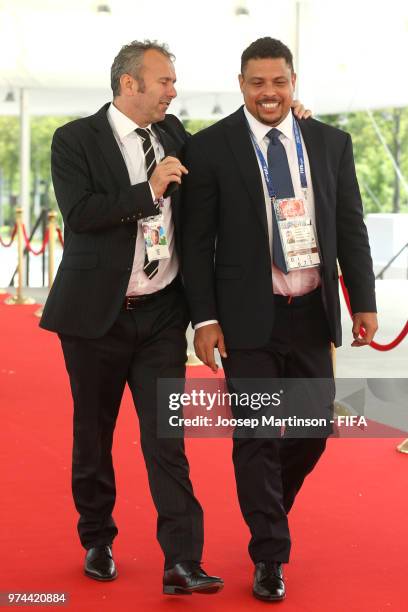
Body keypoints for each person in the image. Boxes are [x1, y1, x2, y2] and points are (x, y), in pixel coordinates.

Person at [181, 37, 378, 602]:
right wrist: (205, 320)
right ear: (241, 84)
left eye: (279, 82)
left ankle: (268, 510)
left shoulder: (330, 142)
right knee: (258, 438)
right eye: (257, 82)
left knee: (313, 430)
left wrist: (361, 300)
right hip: (248, 319)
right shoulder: (212, 147)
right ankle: (269, 552)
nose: (269, 93)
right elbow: (197, 244)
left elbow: (351, 225)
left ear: (294, 82)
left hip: (311, 312)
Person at [39, 40, 223, 595]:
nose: (173, 90)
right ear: (129, 85)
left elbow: (227, 154)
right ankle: (96, 537)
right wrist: (148, 190)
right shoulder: (74, 139)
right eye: (164, 81)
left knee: (167, 438)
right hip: (95, 318)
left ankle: (182, 561)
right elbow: (82, 213)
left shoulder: (175, 136)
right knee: (93, 434)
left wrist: (296, 120)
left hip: (163, 314)